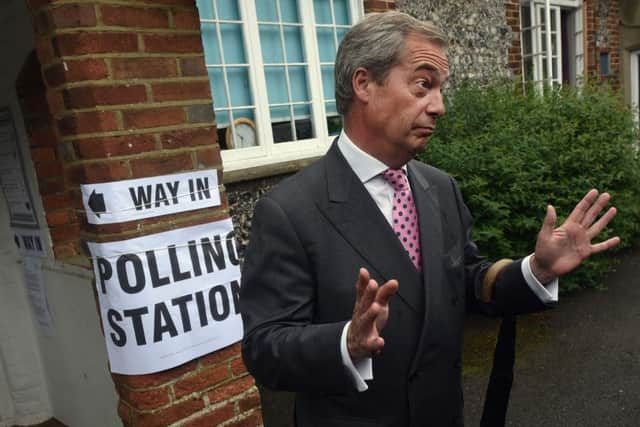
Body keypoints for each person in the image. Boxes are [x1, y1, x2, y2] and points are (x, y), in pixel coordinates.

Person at [239, 11, 619, 427]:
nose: (438, 106)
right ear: (364, 84)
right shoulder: (289, 210)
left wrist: (535, 270)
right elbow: (264, 348)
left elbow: (467, 280)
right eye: (423, 84)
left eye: (440, 89)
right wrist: (345, 343)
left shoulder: (440, 188)